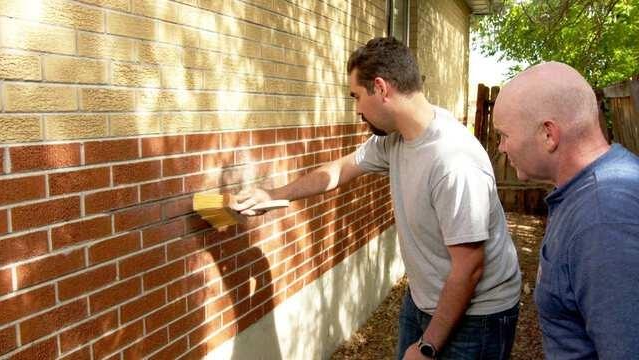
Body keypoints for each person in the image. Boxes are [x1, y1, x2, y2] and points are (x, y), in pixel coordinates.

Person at [233, 37, 521, 360]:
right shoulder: (396, 138)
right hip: (424, 298)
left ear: (381, 88)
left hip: (478, 317)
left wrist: (428, 346)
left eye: (356, 96)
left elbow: (469, 268)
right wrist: (273, 195)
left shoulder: (453, 163)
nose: (357, 109)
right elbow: (340, 170)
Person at [493, 61, 639, 359]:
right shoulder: (586, 192)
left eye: (504, 135)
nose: (501, 148)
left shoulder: (604, 218)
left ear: (549, 134)